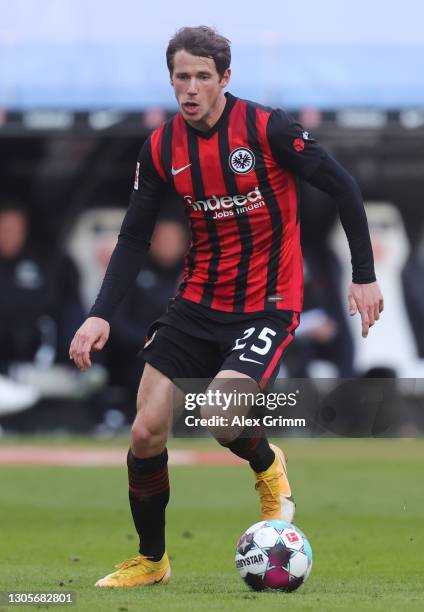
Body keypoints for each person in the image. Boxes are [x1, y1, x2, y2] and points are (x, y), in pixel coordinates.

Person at [69, 26, 384, 588]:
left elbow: (344, 188)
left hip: (267, 303)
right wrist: (100, 312)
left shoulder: (268, 128)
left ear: (225, 79)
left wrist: (363, 277)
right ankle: (152, 561)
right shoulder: (162, 146)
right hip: (195, 302)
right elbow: (135, 237)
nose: (190, 88)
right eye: (181, 77)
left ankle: (268, 466)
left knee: (218, 416)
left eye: (202, 77)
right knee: (145, 433)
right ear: (171, 79)